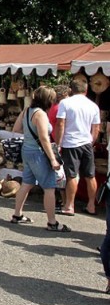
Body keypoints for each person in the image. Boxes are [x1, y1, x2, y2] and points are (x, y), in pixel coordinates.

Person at [9, 86, 70, 231]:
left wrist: (30, 134)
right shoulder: (40, 114)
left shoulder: (27, 110)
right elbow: (44, 138)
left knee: (26, 183)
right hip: (38, 153)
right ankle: (52, 222)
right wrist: (53, 159)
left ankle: (17, 214)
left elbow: (16, 129)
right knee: (49, 187)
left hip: (27, 150)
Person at [54, 79, 101, 216]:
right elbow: (96, 127)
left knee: (71, 175)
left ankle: (69, 205)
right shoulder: (93, 106)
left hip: (70, 143)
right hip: (86, 143)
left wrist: (58, 143)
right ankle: (91, 205)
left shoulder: (65, 103)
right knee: (90, 175)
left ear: (71, 90)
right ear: (86, 90)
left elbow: (60, 124)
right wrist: (91, 141)